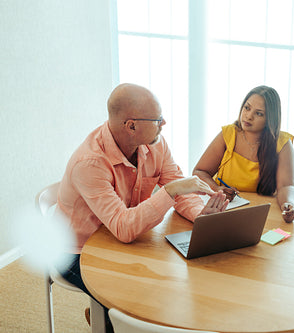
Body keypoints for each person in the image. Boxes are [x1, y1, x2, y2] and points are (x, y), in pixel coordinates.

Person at [55, 83, 227, 330]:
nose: (164, 123)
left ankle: (103, 317)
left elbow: (180, 188)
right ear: (131, 126)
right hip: (76, 250)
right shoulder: (90, 163)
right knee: (132, 301)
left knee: (169, 278)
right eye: (157, 119)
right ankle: (104, 319)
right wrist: (170, 191)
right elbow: (126, 227)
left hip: (116, 236)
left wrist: (201, 215)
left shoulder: (156, 143)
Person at [193, 85, 294, 223]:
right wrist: (217, 188)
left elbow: (286, 185)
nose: (248, 116)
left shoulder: (282, 143)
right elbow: (199, 172)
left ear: (270, 119)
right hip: (224, 212)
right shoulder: (228, 134)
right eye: (247, 108)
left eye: (259, 113)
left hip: (261, 215)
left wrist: (288, 204)